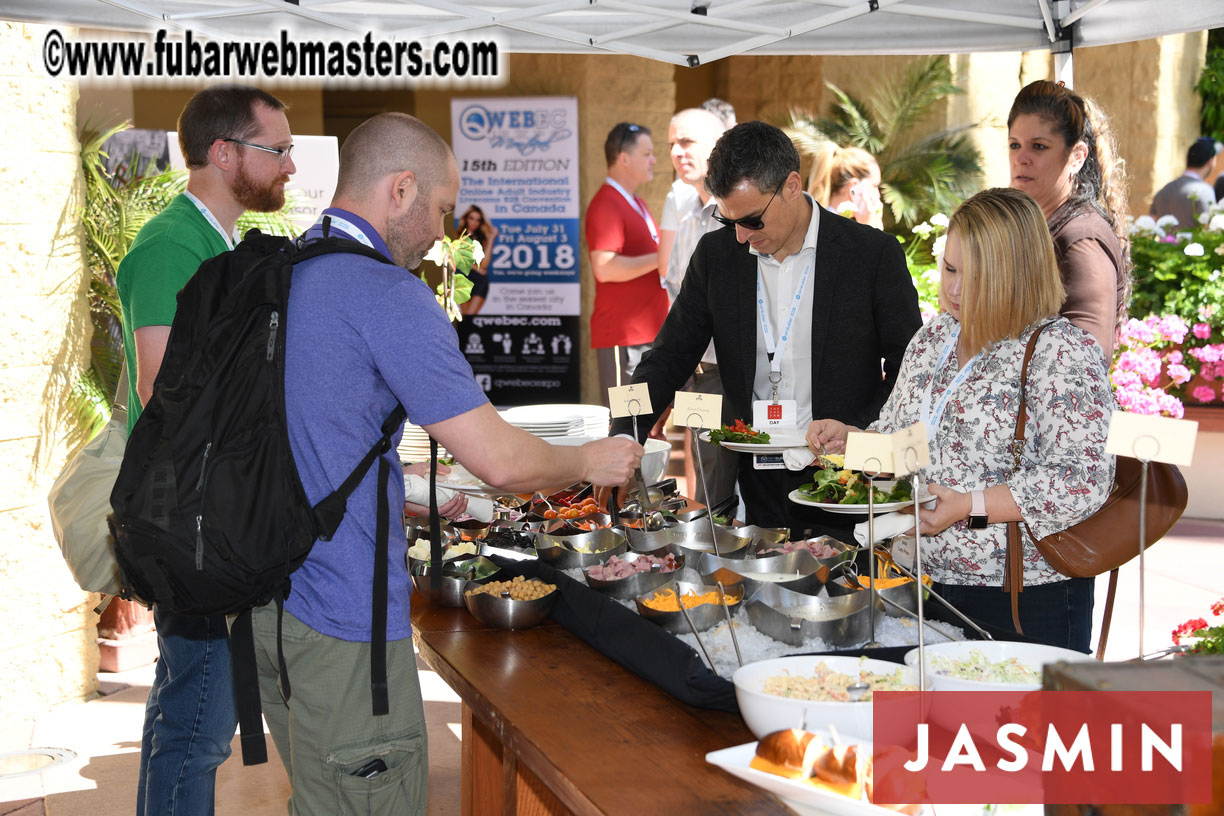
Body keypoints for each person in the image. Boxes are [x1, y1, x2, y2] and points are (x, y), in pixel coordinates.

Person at [257, 111, 641, 815]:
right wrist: (591, 457)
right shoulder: (387, 294)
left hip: (269, 610)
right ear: (400, 188)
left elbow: (316, 435)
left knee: (320, 796)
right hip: (344, 619)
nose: (443, 233)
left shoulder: (287, 267)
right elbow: (497, 459)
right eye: (438, 210)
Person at [808, 188, 1115, 652]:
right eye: (949, 269)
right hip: (915, 579)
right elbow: (900, 438)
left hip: (1018, 596)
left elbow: (1083, 480)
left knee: (1013, 726)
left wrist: (969, 504)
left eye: (974, 277)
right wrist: (851, 443)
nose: (952, 289)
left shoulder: (1060, 350)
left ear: (1017, 275)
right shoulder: (933, 339)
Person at [116, 84, 295, 816]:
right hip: (190, 528)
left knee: (188, 719)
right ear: (224, 154)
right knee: (195, 729)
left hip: (217, 521)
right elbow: (166, 393)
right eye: (276, 150)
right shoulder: (169, 248)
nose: (288, 167)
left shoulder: (219, 242)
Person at [606, 121, 921, 537]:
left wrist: (859, 433)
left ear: (792, 186)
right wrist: (621, 432)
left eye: (752, 220)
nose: (740, 236)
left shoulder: (871, 255)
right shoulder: (716, 256)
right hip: (758, 478)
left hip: (844, 480)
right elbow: (666, 356)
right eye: (728, 220)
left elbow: (909, 369)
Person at [1007, 79, 1130, 358]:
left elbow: (1089, 358)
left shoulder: (1081, 238)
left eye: (1039, 146)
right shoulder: (1043, 224)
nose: (1021, 158)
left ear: (1076, 156)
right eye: (1015, 145)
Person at [659, 107, 736, 506]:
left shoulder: (736, 212)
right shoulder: (685, 209)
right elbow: (675, 293)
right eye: (671, 142)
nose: (676, 151)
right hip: (698, 367)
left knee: (723, 472)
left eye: (687, 141)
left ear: (716, 147)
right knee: (701, 465)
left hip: (734, 368)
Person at [586, 122, 669, 401]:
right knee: (627, 422)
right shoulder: (606, 204)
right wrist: (662, 258)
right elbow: (605, 267)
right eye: (647, 154)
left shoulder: (635, 202)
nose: (654, 160)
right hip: (623, 339)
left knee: (649, 419)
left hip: (645, 336)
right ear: (624, 158)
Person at [807, 144, 884, 229]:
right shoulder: (829, 227)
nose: (878, 195)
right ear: (854, 188)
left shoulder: (817, 220)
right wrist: (871, 230)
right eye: (874, 186)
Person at [1150, 137, 1221, 228]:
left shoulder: (1163, 190)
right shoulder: (1205, 191)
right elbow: (1208, 228)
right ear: (1210, 161)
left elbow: (1151, 223)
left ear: (1186, 160)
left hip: (1164, 242)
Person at [454, 204, 497, 315]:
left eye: (477, 220)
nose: (474, 222)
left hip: (479, 281)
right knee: (465, 316)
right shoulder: (457, 235)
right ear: (466, 219)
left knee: (470, 315)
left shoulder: (482, 238)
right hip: (463, 278)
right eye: (471, 218)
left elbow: (484, 265)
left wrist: (491, 238)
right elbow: (455, 258)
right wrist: (475, 268)